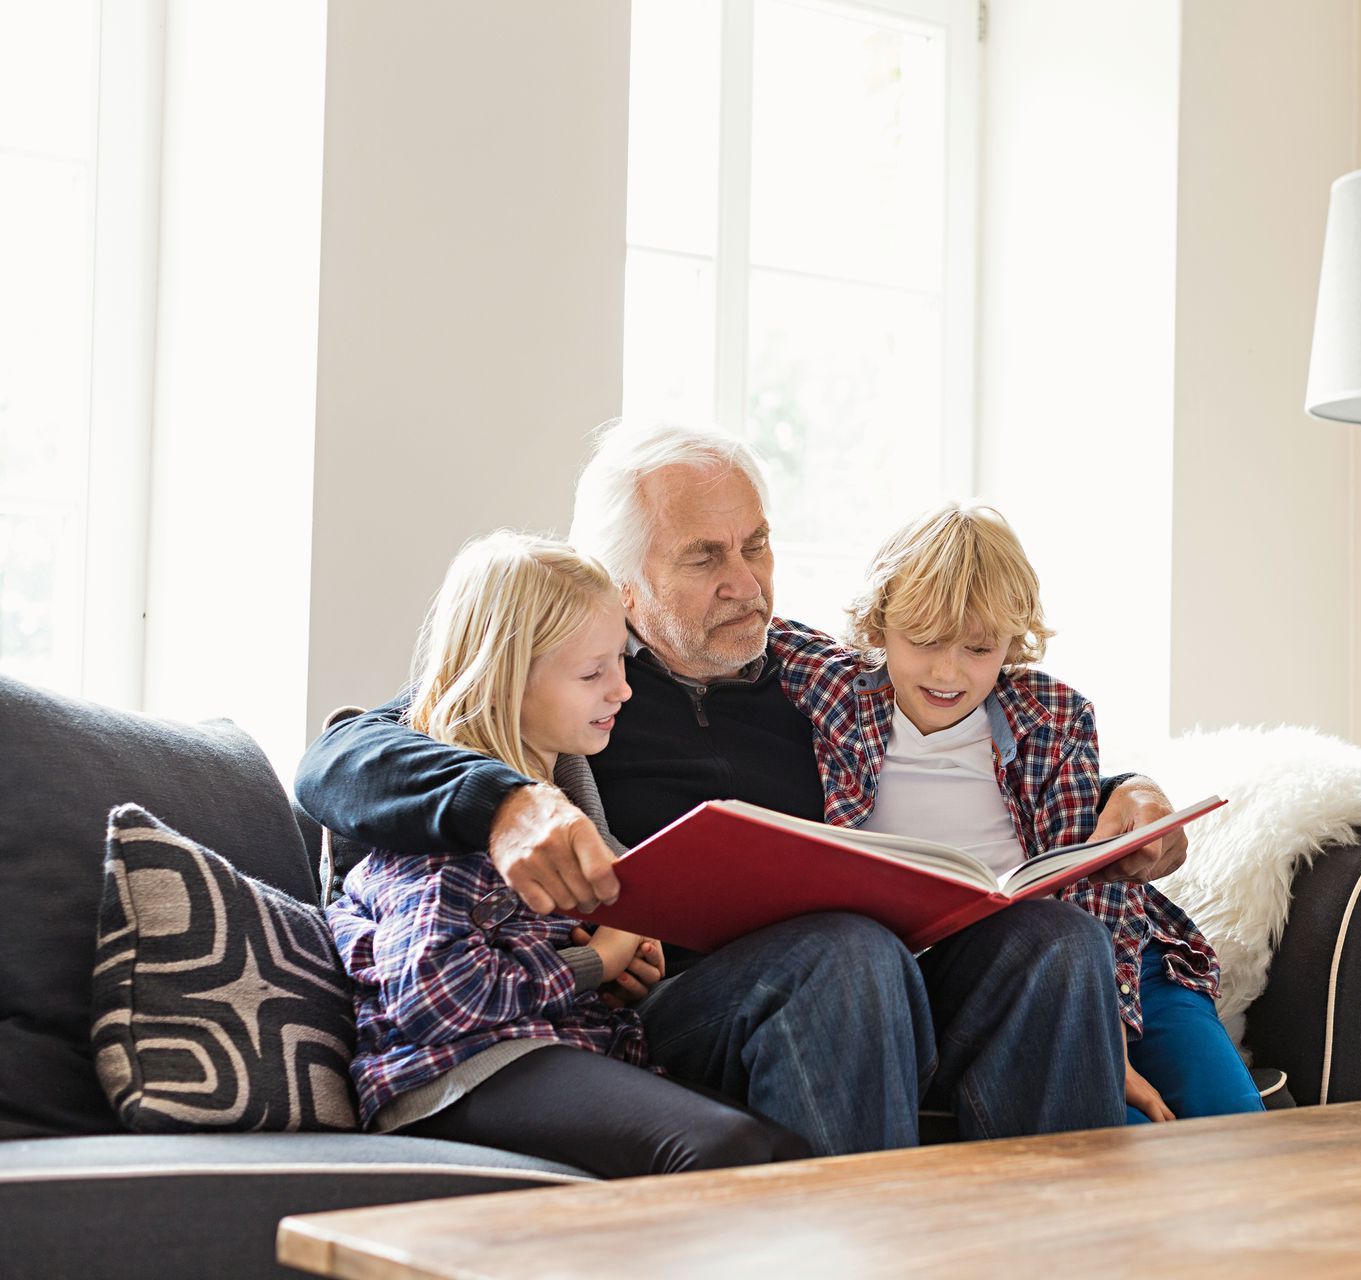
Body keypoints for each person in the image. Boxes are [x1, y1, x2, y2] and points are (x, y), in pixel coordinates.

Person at [297, 420, 1180, 1154]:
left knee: (1054, 939)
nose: (746, 582)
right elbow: (342, 759)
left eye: (756, 545)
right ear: (623, 583)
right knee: (843, 949)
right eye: (704, 558)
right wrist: (506, 801)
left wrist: (1126, 789)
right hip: (682, 1005)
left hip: (885, 986)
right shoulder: (581, 684)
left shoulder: (822, 680)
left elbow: (966, 736)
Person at [327, 530, 808, 1175]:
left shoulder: (564, 794)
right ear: (506, 681)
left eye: (620, 663)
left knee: (791, 1157)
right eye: (592, 673)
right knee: (720, 1149)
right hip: (453, 1074)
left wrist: (618, 971)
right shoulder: (452, 817)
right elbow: (434, 999)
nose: (623, 691)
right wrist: (593, 962)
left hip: (548, 1047)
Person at [772, 502, 1265, 1124]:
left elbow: (1093, 885)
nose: (948, 671)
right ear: (879, 625)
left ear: (1011, 643)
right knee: (1126, 1133)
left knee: (1230, 1112)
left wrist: (1108, 1032)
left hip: (1113, 954)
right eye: (923, 640)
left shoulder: (1050, 717)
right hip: (991, 976)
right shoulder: (837, 689)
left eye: (979, 649)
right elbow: (739, 626)